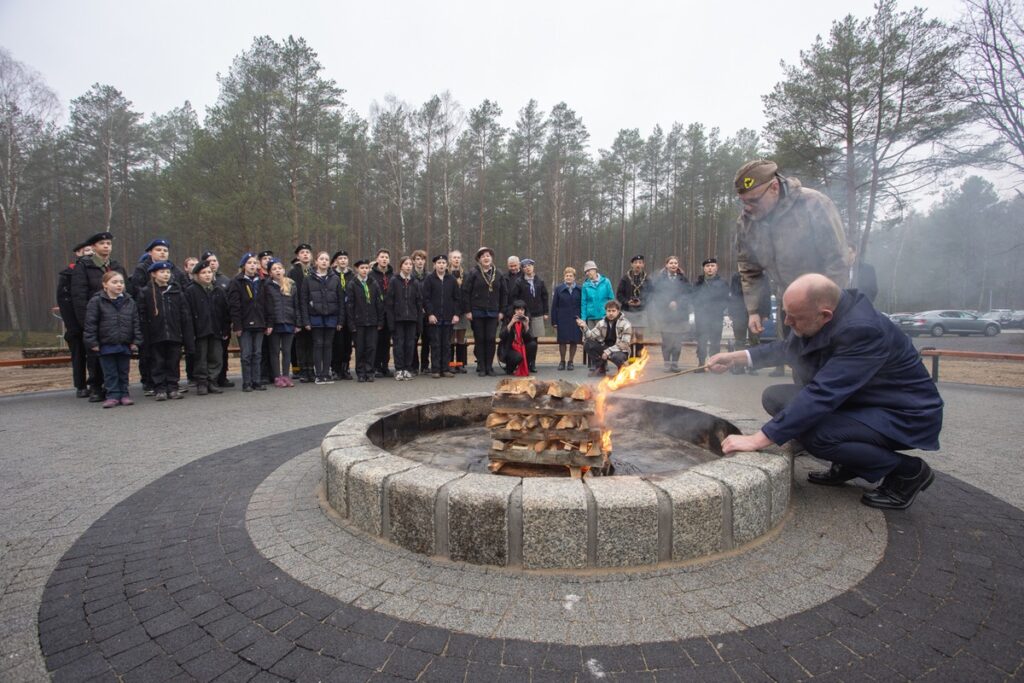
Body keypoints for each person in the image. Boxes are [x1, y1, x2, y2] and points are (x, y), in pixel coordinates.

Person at [707, 274, 944, 511]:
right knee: (776, 398)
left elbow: (823, 394)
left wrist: (757, 439)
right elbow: (786, 348)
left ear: (825, 315)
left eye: (794, 317)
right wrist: (735, 358)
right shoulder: (822, 316)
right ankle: (850, 463)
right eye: (785, 313)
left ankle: (908, 472)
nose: (787, 322)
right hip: (860, 401)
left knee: (818, 437)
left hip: (902, 413)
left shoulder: (863, 330)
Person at [733, 159, 849, 337]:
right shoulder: (746, 222)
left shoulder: (813, 204)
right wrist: (754, 311)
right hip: (787, 304)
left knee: (826, 360)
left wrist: (825, 306)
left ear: (774, 187)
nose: (748, 207)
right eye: (743, 201)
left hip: (823, 307)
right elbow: (749, 269)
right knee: (795, 359)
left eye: (754, 200)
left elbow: (837, 260)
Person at [71, 232, 128, 402]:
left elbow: (127, 293)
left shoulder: (116, 266)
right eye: (102, 243)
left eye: (109, 243)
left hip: (117, 319)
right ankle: (96, 386)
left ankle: (118, 389)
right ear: (94, 247)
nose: (106, 246)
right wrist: (85, 323)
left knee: (117, 355)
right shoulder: (84, 266)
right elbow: (79, 296)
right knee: (95, 355)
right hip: (95, 318)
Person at [83, 271, 142, 408]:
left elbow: (135, 322)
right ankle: (112, 395)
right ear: (105, 285)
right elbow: (90, 323)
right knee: (110, 372)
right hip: (106, 344)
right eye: (114, 282)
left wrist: (136, 340)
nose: (119, 285)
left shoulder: (129, 301)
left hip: (124, 343)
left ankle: (124, 394)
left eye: (121, 282)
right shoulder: (97, 301)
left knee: (123, 371)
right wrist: (92, 342)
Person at [137, 261, 195, 401]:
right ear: (154, 274)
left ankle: (173, 387)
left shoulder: (176, 292)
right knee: (157, 362)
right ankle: (160, 388)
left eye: (168, 272)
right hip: (155, 335)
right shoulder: (146, 292)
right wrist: (144, 338)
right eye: (162, 272)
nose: (165, 275)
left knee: (173, 362)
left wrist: (186, 337)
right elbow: (142, 316)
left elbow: (184, 316)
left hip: (174, 334)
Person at [185, 260, 230, 396]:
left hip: (216, 330)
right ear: (197, 275)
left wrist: (225, 329)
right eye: (203, 273)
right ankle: (202, 383)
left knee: (216, 357)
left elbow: (225, 312)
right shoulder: (190, 291)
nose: (207, 275)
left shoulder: (218, 290)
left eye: (209, 272)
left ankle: (212, 381)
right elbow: (187, 314)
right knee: (201, 358)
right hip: (199, 331)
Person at [300, 251, 343, 385]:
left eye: (326, 259)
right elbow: (304, 300)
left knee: (328, 345)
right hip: (315, 317)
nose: (324, 261)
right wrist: (306, 320)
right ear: (316, 261)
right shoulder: (308, 278)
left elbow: (341, 301)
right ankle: (318, 373)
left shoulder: (335, 278)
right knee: (318, 344)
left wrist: (340, 320)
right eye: (321, 259)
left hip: (331, 317)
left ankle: (326, 372)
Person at [463, 247, 507, 376]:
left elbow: (504, 294)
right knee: (480, 339)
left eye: (488, 255)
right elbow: (466, 292)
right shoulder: (473, 273)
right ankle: (481, 366)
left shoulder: (498, 274)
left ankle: (489, 366)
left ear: (491, 258)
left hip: (493, 312)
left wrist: (502, 311)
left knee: (490, 339)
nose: (486, 258)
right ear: (479, 259)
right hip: (477, 311)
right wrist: (468, 311)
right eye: (483, 256)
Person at [57, 240, 93, 398]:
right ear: (78, 253)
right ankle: (80, 385)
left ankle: (96, 383)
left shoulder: (97, 271)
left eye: (92, 250)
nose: (90, 253)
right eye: (86, 250)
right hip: (76, 325)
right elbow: (64, 302)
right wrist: (73, 325)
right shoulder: (67, 274)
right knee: (78, 355)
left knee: (95, 356)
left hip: (93, 322)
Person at [228, 253, 267, 392]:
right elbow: (234, 306)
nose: (252, 265)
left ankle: (257, 381)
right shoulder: (237, 282)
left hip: (260, 322)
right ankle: (247, 382)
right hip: (244, 324)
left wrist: (268, 323)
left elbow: (267, 304)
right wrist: (237, 325)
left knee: (257, 354)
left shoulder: (262, 281)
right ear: (244, 265)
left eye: (255, 263)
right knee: (246, 355)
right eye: (249, 262)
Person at [262, 258, 300, 388]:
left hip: (289, 321)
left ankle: (286, 375)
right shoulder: (267, 286)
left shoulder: (291, 285)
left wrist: (297, 323)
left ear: (284, 270)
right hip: (274, 323)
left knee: (287, 350)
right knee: (274, 351)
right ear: (270, 273)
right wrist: (268, 324)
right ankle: (277, 376)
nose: (277, 271)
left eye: (279, 268)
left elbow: (296, 305)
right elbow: (266, 306)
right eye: (274, 269)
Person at [422, 254, 460, 378]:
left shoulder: (452, 279)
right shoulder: (429, 279)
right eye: (439, 263)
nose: (441, 265)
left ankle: (446, 368)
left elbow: (457, 298)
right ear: (435, 265)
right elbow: (426, 298)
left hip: (448, 317)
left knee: (446, 344)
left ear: (446, 265)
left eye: (443, 263)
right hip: (435, 317)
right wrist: (430, 314)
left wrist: (456, 314)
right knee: (436, 344)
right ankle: (436, 369)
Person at [386, 256, 423, 381]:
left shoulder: (415, 282)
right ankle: (399, 369)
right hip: (398, 319)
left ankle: (407, 368)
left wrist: (419, 322)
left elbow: (418, 303)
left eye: (410, 264)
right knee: (399, 344)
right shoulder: (394, 281)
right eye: (406, 264)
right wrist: (391, 322)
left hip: (411, 319)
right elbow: (389, 303)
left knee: (410, 345)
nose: (408, 266)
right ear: (401, 266)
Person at [346, 259, 384, 383]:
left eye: (366, 268)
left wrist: (380, 321)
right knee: (360, 348)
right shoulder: (352, 284)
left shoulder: (373, 283)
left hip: (372, 322)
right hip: (359, 322)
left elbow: (379, 303)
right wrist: (351, 323)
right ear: (357, 269)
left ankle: (370, 371)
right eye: (362, 268)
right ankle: (361, 372)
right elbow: (350, 305)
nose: (364, 270)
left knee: (371, 348)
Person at [651, 256, 690, 372]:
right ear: (666, 265)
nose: (673, 265)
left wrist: (678, 303)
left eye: (676, 263)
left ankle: (675, 364)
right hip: (665, 316)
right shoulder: (660, 279)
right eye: (671, 263)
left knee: (677, 342)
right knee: (667, 342)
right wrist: (668, 303)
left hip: (680, 316)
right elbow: (656, 295)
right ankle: (667, 364)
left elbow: (688, 294)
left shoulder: (683, 279)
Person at [508, 258, 548, 372]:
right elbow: (514, 297)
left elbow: (545, 297)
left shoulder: (540, 281)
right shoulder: (519, 282)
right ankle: (523, 361)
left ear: (533, 267)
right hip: (524, 314)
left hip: (537, 314)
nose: (527, 268)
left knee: (534, 340)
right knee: (524, 339)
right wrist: (518, 309)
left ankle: (532, 363)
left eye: (529, 266)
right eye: (525, 266)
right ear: (522, 269)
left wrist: (545, 312)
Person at [202, 251, 235, 388]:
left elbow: (229, 305)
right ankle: (207, 380)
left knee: (223, 352)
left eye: (215, 260)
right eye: (209, 261)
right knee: (207, 355)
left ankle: (222, 377)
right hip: (205, 325)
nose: (213, 263)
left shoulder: (225, 281)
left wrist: (228, 324)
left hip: (222, 323)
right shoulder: (199, 281)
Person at [728, 272, 770, 375]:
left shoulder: (763, 277)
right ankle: (739, 366)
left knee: (754, 340)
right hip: (739, 311)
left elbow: (766, 295)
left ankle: (753, 366)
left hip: (756, 312)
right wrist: (731, 311)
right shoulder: (736, 276)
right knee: (739, 340)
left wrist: (765, 313)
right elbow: (732, 295)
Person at [693, 257, 729, 370]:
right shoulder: (698, 283)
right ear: (704, 269)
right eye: (707, 266)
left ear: (716, 268)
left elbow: (726, 299)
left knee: (715, 341)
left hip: (716, 316)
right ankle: (701, 363)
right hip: (701, 316)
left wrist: (719, 309)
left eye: (712, 266)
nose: (710, 268)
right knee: (701, 340)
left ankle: (714, 364)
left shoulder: (722, 283)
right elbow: (692, 298)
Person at [580, 300, 632, 377]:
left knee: (616, 356)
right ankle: (601, 368)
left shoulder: (626, 324)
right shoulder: (601, 323)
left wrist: (608, 351)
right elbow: (591, 336)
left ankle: (622, 371)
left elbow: (624, 344)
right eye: (609, 311)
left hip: (620, 350)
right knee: (588, 343)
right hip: (605, 347)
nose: (611, 313)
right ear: (606, 311)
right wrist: (584, 327)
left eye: (613, 311)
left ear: (618, 311)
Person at [580, 260, 615, 370]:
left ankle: (605, 363)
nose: (587, 273)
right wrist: (583, 319)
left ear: (595, 270)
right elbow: (583, 303)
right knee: (591, 341)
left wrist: (611, 314)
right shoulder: (585, 285)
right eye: (585, 272)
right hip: (591, 317)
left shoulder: (606, 282)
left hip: (604, 316)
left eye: (589, 271)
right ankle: (595, 363)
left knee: (604, 340)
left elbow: (611, 298)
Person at [617, 255, 651, 358]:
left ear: (643, 265)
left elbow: (651, 294)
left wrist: (642, 302)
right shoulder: (625, 278)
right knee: (629, 335)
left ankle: (639, 358)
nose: (638, 265)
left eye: (640, 262)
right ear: (632, 264)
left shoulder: (647, 279)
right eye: (636, 262)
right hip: (628, 311)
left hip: (641, 311)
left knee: (640, 335)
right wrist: (627, 302)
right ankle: (630, 357)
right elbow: (619, 294)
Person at [289, 243, 315, 382]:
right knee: (300, 342)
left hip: (313, 312)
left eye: (307, 252)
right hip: (298, 310)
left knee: (311, 342)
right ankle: (302, 370)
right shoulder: (293, 272)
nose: (305, 254)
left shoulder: (314, 271)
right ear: (298, 256)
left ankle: (311, 368)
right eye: (302, 252)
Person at [550, 266, 583, 371]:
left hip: (575, 318)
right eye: (567, 275)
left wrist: (582, 320)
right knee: (562, 341)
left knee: (574, 341)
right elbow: (554, 306)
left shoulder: (579, 289)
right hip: (562, 319)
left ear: (574, 277)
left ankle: (571, 361)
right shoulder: (559, 289)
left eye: (571, 276)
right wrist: (554, 321)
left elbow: (582, 305)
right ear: (564, 277)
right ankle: (562, 361)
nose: (568, 277)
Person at [369, 249, 394, 377]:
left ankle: (385, 365)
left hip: (389, 312)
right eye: (382, 257)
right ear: (377, 259)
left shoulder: (392, 275)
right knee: (376, 340)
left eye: (386, 257)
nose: (384, 259)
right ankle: (376, 366)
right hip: (376, 312)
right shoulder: (371, 275)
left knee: (386, 341)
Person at [330, 251, 355, 380]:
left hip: (349, 314)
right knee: (337, 344)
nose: (343, 261)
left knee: (347, 344)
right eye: (340, 258)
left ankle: (345, 368)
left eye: (345, 258)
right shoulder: (331, 275)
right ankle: (335, 368)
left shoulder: (352, 276)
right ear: (336, 261)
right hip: (336, 313)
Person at [498, 300, 536, 376]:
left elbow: (529, 339)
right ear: (514, 310)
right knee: (517, 357)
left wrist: (526, 326)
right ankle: (509, 368)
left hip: (521, 346)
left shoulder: (526, 320)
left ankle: (526, 367)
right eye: (517, 309)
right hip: (509, 348)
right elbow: (502, 336)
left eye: (522, 310)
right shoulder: (508, 319)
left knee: (532, 345)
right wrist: (511, 323)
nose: (520, 312)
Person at [448, 250, 469, 373]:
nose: (456, 260)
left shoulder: (465, 275)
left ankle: (460, 364)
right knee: (450, 338)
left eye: (458, 258)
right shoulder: (446, 273)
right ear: (450, 259)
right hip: (450, 311)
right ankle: (450, 364)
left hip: (462, 311)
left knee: (461, 338)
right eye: (454, 257)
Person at [411, 249, 430, 375]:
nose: (420, 262)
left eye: (422, 259)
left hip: (427, 313)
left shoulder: (429, 276)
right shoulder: (410, 276)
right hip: (414, 313)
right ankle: (414, 366)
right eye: (417, 259)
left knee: (427, 340)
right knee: (413, 339)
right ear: (413, 261)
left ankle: (424, 365)